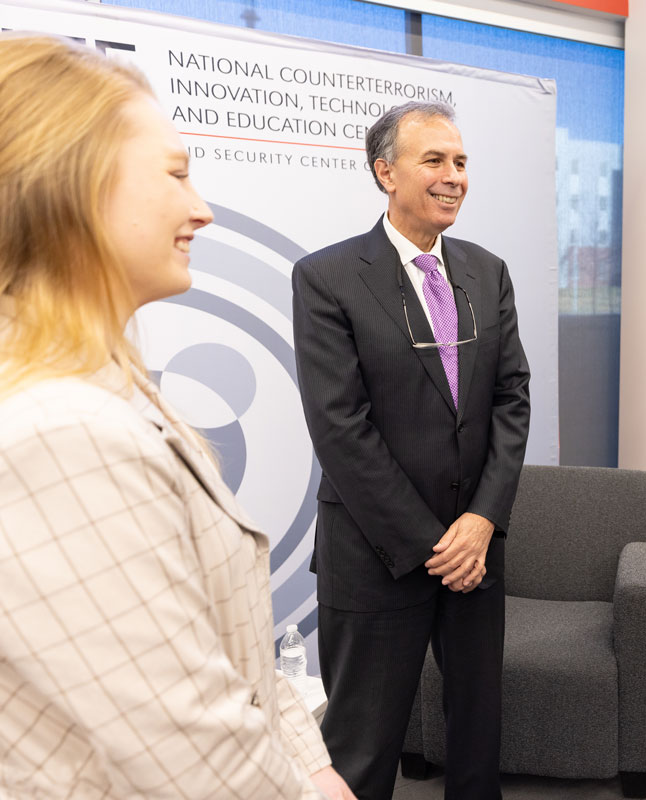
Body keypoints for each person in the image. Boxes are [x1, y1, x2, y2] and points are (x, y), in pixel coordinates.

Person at [0, 34, 354, 799]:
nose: (201, 207)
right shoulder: (61, 434)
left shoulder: (104, 382)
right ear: (74, 185)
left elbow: (230, 655)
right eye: (175, 174)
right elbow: (198, 759)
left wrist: (315, 764)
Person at [292, 101, 530, 800]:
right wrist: (436, 545)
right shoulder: (327, 277)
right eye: (435, 161)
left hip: (477, 548)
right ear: (385, 173)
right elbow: (341, 428)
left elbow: (511, 399)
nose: (454, 176)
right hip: (376, 555)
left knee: (477, 737)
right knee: (362, 753)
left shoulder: (488, 272)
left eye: (460, 162)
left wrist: (482, 520)